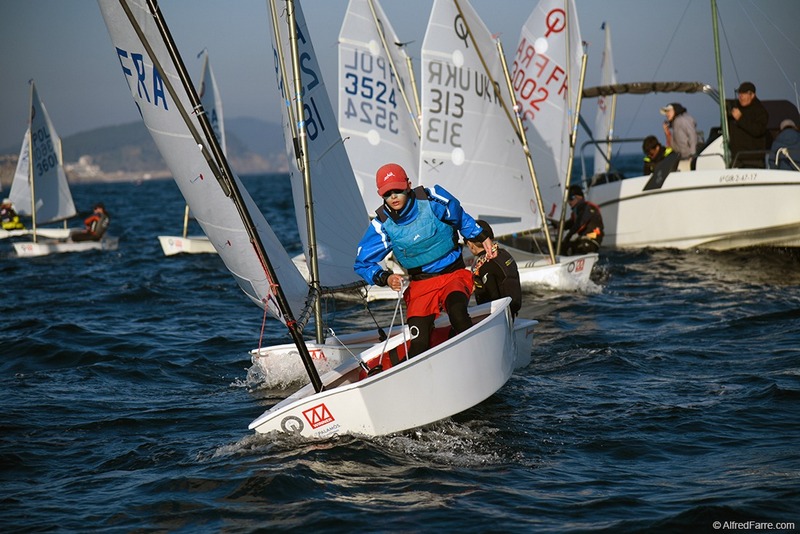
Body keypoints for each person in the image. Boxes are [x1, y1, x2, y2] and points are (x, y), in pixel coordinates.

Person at [354, 163, 494, 358]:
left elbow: (461, 218)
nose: (393, 197)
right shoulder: (382, 225)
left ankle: (479, 357)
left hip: (453, 274)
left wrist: (481, 237)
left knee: (457, 312)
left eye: (398, 190)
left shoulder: (432, 200)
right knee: (418, 342)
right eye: (387, 193)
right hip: (421, 284)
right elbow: (362, 263)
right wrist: (385, 278)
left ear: (408, 185)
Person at [465, 220, 521, 319]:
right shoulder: (503, 254)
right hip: (512, 312)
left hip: (498, 318)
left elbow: (492, 299)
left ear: (470, 244)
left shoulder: (484, 264)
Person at [728, 81, 769, 168]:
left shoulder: (760, 111)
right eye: (739, 94)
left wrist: (740, 119)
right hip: (737, 159)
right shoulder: (735, 110)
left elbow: (758, 131)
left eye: (744, 94)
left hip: (753, 160)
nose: (741, 97)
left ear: (752, 95)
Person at [561, 185, 604, 255]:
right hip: (583, 239)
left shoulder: (587, 207)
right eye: (567, 199)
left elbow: (580, 223)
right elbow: (569, 224)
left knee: (575, 248)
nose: (569, 202)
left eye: (571, 198)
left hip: (592, 239)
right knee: (563, 247)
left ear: (579, 198)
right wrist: (557, 225)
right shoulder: (577, 212)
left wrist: (568, 236)